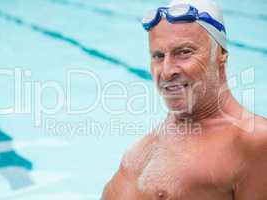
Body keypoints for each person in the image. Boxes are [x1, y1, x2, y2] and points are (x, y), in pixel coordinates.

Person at [102, 0, 267, 199]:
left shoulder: (253, 141)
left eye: (184, 52)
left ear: (221, 54)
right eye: (158, 56)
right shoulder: (148, 144)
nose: (167, 70)